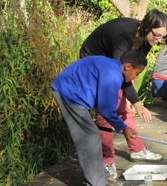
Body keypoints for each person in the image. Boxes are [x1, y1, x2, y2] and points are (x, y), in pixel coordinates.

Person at [79, 9, 167, 178]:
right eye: (157, 35)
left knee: (123, 104)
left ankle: (137, 150)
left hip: (114, 66)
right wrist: (138, 103)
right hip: (92, 62)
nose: (158, 40)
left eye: (162, 37)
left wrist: (131, 98)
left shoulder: (147, 41)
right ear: (146, 27)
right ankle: (106, 162)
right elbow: (121, 72)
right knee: (106, 110)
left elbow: (134, 70)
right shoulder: (123, 35)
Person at [52, 49, 147, 186]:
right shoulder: (112, 75)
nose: (135, 78)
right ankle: (96, 182)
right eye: (136, 73)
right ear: (127, 66)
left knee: (93, 135)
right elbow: (106, 109)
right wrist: (123, 127)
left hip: (74, 92)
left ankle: (102, 176)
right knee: (89, 137)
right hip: (68, 93)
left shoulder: (112, 67)